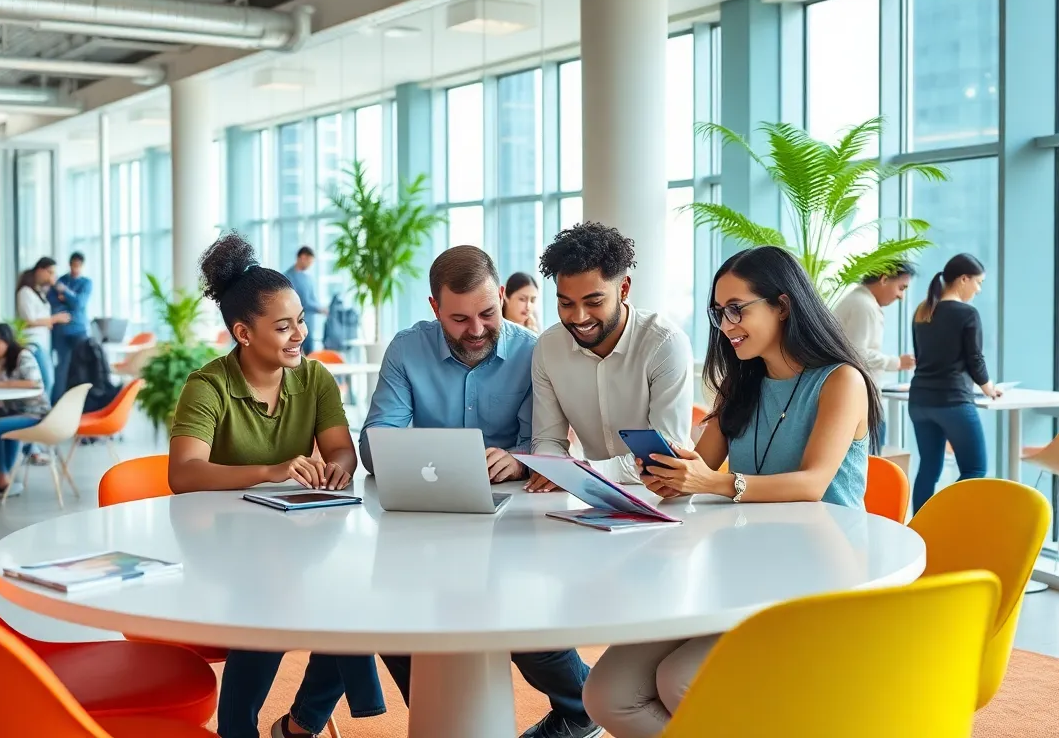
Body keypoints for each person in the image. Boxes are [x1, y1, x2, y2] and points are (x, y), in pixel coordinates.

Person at [581, 245, 881, 738]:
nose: (725, 324)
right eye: (719, 313)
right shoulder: (739, 385)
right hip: (743, 574)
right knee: (606, 693)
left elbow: (812, 484)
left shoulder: (840, 381)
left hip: (816, 581)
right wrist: (670, 474)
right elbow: (701, 466)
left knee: (682, 679)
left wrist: (711, 481)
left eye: (737, 309)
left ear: (783, 305)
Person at [358, 246, 600, 738]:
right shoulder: (407, 351)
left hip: (511, 516)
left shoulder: (535, 351)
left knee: (520, 616)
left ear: (504, 298)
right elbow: (374, 442)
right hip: (425, 521)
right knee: (393, 621)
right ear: (434, 308)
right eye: (459, 318)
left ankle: (583, 709)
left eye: (488, 313)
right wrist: (434, 458)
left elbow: (547, 441)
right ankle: (445, 711)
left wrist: (519, 457)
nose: (476, 330)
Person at [168, 233, 384, 738]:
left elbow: (338, 448)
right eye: (284, 326)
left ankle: (300, 725)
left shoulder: (314, 379)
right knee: (279, 597)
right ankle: (246, 729)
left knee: (354, 600)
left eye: (301, 320)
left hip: (292, 542)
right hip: (218, 549)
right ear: (243, 333)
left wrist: (337, 468)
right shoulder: (208, 385)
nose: (299, 335)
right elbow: (184, 474)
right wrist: (272, 470)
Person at [527, 222, 693, 491]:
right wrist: (554, 466)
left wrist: (583, 471)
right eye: (566, 303)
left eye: (594, 302)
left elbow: (667, 456)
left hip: (661, 494)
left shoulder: (665, 345)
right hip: (586, 494)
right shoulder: (548, 347)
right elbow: (548, 439)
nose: (579, 317)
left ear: (624, 289)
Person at [908, 253, 997, 513]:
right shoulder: (967, 314)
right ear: (963, 279)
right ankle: (944, 521)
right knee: (975, 469)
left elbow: (920, 356)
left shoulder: (923, 310)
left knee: (929, 469)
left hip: (920, 401)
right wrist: (989, 388)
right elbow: (975, 359)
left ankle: (921, 530)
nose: (978, 290)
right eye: (977, 283)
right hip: (952, 402)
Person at [832, 262, 916, 441]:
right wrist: (897, 362)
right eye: (901, 288)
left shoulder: (857, 300)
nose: (901, 296)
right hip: (861, 403)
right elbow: (857, 353)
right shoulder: (864, 306)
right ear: (884, 279)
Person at [0, 324, 52, 494]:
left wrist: (4, 384)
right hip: (14, 412)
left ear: (7, 342)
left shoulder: (22, 356)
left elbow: (34, 382)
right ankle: (3, 473)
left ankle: (1, 473)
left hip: (35, 413)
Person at [16, 258, 70, 401]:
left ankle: (43, 414)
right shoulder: (25, 292)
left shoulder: (39, 292)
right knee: (46, 380)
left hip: (43, 342)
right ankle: (41, 414)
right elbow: (29, 320)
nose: (52, 277)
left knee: (47, 381)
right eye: (50, 272)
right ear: (40, 270)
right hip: (34, 342)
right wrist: (54, 319)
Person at [49, 251, 93, 401]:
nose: (76, 269)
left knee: (81, 366)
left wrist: (65, 294)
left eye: (78, 266)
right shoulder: (60, 280)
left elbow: (79, 304)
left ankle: (83, 401)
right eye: (73, 265)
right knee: (62, 367)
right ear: (70, 265)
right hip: (61, 330)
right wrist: (70, 298)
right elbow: (53, 303)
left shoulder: (86, 283)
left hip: (79, 330)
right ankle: (57, 402)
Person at [285, 246, 327, 354]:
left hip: (309, 323)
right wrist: (319, 309)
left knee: (310, 353)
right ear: (302, 257)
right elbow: (299, 302)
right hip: (296, 323)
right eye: (309, 261)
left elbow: (312, 299)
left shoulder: (308, 278)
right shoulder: (288, 277)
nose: (310, 265)